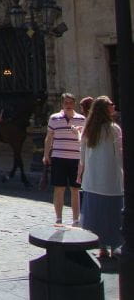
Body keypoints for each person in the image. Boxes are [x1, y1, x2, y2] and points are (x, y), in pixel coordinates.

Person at [77, 96, 123, 259]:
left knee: (97, 215)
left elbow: (82, 156)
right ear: (106, 109)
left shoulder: (88, 130)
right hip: (110, 180)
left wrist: (82, 173)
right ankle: (113, 246)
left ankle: (102, 247)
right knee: (113, 215)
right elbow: (119, 155)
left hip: (93, 180)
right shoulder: (113, 129)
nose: (114, 106)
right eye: (111, 104)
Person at [43, 92, 85, 225]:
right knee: (59, 188)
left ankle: (75, 219)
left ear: (74, 104)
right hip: (59, 157)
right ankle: (59, 218)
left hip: (76, 158)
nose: (68, 105)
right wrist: (46, 154)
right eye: (66, 103)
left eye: (71, 102)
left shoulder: (82, 119)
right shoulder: (54, 118)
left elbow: (84, 139)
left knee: (75, 189)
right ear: (62, 104)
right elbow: (49, 137)